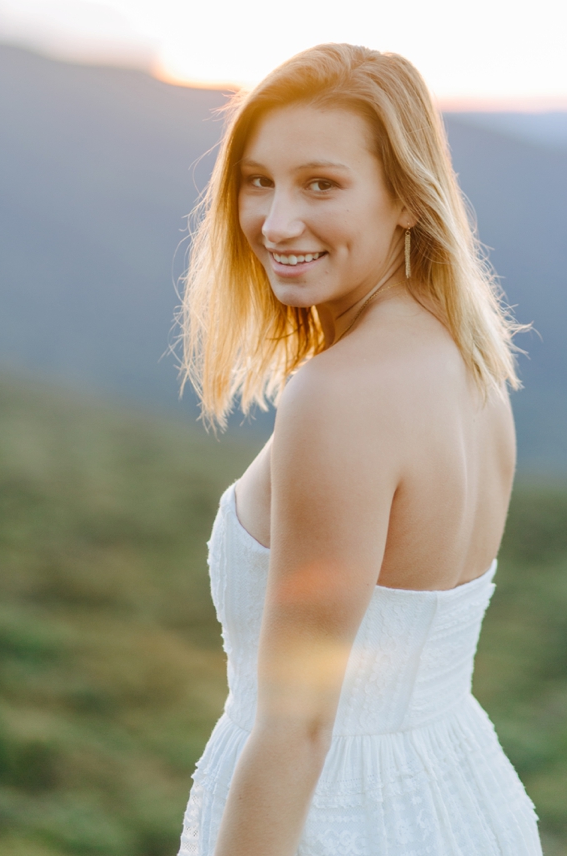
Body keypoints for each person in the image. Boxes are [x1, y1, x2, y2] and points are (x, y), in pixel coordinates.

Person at [175, 44, 539, 853]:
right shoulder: (471, 363)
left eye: (322, 184)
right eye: (257, 180)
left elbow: (298, 726)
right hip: (462, 795)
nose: (276, 222)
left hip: (335, 818)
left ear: (407, 197)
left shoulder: (338, 394)